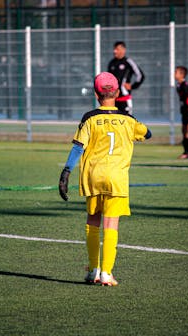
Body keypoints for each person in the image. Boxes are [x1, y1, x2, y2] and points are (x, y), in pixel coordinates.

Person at [59, 72, 152, 286]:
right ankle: (107, 273)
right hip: (116, 178)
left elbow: (77, 147)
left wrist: (66, 172)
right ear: (118, 93)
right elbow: (147, 134)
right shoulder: (128, 120)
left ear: (95, 94)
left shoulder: (89, 117)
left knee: (93, 221)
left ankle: (93, 270)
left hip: (93, 177)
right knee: (111, 224)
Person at [108, 41, 145, 115]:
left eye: (117, 49)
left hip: (125, 100)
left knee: (127, 123)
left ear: (123, 50)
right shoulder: (111, 63)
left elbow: (140, 75)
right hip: (113, 101)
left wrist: (132, 86)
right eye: (114, 49)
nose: (115, 51)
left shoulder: (128, 62)